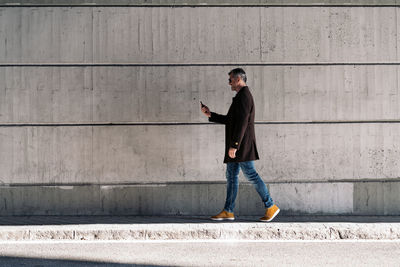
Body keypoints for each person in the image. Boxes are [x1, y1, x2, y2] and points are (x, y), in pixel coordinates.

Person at [200, 68, 280, 222]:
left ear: (238, 79)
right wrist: (211, 115)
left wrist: (235, 145)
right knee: (231, 176)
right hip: (237, 146)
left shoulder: (244, 96)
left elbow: (243, 123)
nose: (229, 82)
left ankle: (271, 206)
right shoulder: (240, 97)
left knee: (251, 175)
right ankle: (228, 211)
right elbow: (231, 120)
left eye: (230, 79)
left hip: (241, 147)